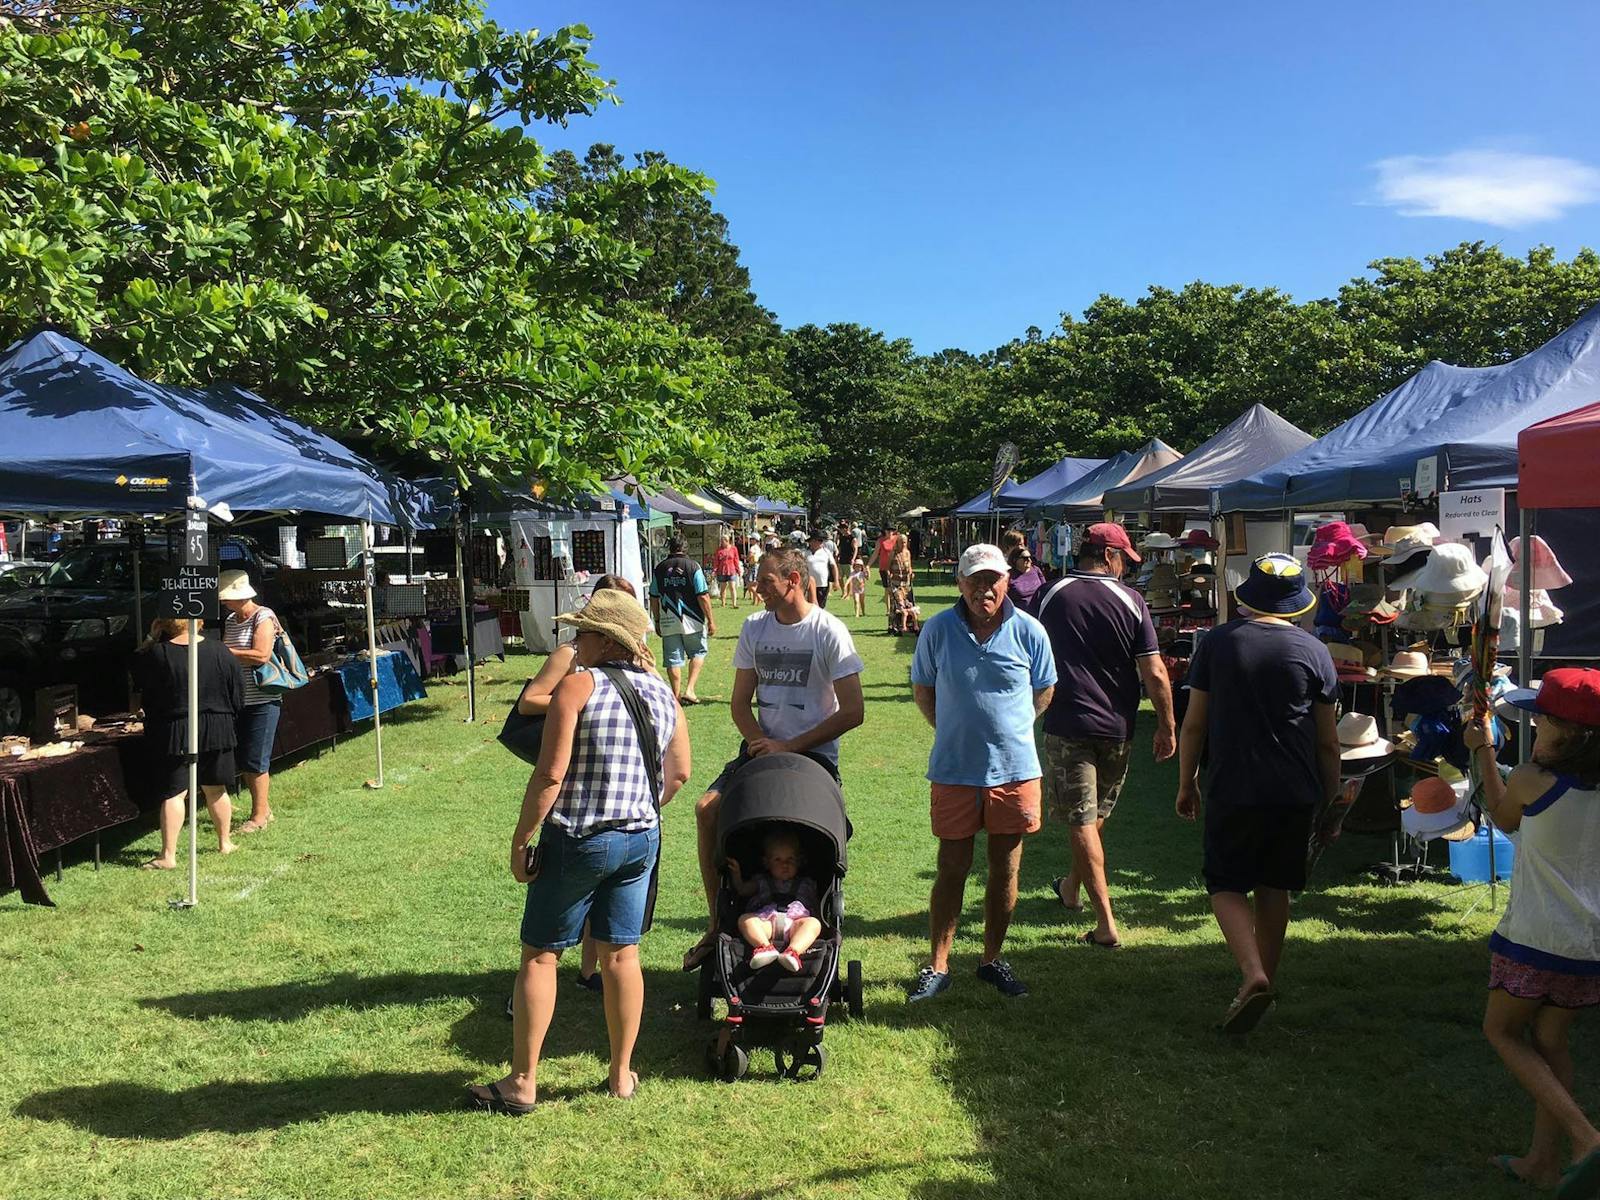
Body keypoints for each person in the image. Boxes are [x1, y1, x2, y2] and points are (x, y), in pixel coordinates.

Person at [467, 591, 691, 1113]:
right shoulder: (663, 691)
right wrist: (638, 806)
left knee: (542, 955)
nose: (574, 641)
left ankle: (523, 1082)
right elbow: (679, 772)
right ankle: (620, 1073)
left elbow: (550, 774)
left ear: (603, 639)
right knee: (622, 956)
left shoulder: (577, 687)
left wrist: (522, 838)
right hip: (641, 838)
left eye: (581, 632)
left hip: (578, 838)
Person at [1175, 553, 1339, 1034]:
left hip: (1234, 784)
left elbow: (1195, 725)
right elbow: (1327, 741)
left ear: (1249, 593)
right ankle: (1266, 978)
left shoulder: (1218, 643)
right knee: (1275, 886)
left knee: (1225, 883)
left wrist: (1187, 782)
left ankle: (1253, 973)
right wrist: (1330, 801)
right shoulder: (1315, 652)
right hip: (1294, 789)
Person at [681, 546, 864, 971]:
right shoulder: (754, 627)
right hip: (762, 749)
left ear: (793, 581)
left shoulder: (827, 630)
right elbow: (740, 704)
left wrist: (790, 745)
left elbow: (853, 711)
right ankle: (716, 925)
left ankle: (812, 919)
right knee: (707, 809)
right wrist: (761, 740)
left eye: (765, 580)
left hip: (813, 758)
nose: (755, 587)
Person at [1467, 670, 1600, 1191]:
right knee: (1550, 1041)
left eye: (1541, 718)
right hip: (1589, 942)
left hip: (1537, 934)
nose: (1534, 725)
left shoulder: (1531, 779)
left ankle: (1585, 1136)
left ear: (1567, 731)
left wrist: (1481, 751)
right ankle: (1541, 1163)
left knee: (1500, 1030)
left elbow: (1503, 817)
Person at [908, 544, 1057, 1002]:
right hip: (954, 770)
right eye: (973, 579)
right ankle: (938, 965)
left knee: (1005, 870)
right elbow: (923, 689)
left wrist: (1012, 731)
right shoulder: (937, 630)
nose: (983, 588)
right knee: (951, 868)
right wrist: (953, 729)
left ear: (1008, 580)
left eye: (991, 578)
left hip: (1014, 772)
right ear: (959, 583)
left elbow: (1045, 688)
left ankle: (992, 959)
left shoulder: (1030, 630)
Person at [1035, 523, 1176, 949]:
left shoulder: (1050, 595)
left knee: (1085, 820)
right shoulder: (1131, 601)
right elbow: (1154, 671)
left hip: (1067, 723)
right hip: (1118, 726)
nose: (1126, 570)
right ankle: (1096, 912)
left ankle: (1096, 915)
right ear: (1111, 557)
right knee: (1090, 818)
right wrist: (1167, 726)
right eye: (1125, 561)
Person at [512, 574, 640, 994]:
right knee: (567, 939)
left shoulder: (635, 675)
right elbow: (529, 701)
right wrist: (577, 699)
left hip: (596, 807)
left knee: (581, 930)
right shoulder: (570, 658)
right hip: (601, 802)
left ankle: (587, 973)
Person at [133, 617, 244, 868]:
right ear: (200, 622)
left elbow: (139, 678)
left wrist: (150, 638)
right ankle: (224, 842)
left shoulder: (159, 653)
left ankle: (168, 855)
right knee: (216, 789)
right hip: (217, 724)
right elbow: (237, 689)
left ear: (164, 626)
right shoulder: (220, 650)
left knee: (174, 793)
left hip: (177, 728)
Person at [219, 569, 283, 834]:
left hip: (263, 699)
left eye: (225, 598)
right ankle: (263, 809)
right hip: (238, 699)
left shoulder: (263, 616)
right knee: (246, 757)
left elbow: (261, 655)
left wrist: (223, 653)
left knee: (256, 759)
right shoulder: (232, 621)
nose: (222, 603)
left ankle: (259, 817)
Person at [728, 829, 822, 972]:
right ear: (767, 863)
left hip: (795, 924)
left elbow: (815, 905)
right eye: (778, 860)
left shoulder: (807, 884)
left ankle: (793, 952)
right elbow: (742, 890)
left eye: (790, 859)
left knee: (814, 923)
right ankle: (764, 947)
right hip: (767, 923)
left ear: (799, 861)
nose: (784, 865)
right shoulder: (761, 881)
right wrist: (736, 875)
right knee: (745, 920)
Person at [649, 535, 716, 706]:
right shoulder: (694, 566)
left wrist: (657, 620)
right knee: (698, 652)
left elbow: (654, 596)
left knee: (673, 659)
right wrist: (711, 620)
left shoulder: (659, 568)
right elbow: (703, 595)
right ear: (686, 548)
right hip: (692, 619)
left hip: (668, 619)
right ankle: (690, 690)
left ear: (669, 548)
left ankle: (676, 696)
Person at [1006, 545, 1047, 615]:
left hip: (1038, 613)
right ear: (1015, 560)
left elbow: (1045, 589)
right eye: (1025, 558)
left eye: (1030, 557)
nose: (1029, 560)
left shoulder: (1036, 570)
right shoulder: (1008, 576)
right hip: (1018, 615)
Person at [805, 529, 839, 610]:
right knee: (809, 605)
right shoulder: (805, 553)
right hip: (808, 584)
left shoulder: (826, 552)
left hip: (822, 584)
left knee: (821, 606)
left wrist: (836, 581)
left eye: (821, 540)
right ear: (811, 541)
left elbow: (834, 566)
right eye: (819, 540)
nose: (821, 542)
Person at [712, 533, 741, 609]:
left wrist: (738, 569)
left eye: (723, 541)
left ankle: (734, 604)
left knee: (732, 587)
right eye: (721, 541)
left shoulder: (734, 549)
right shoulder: (719, 550)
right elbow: (716, 561)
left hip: (731, 570)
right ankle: (723, 603)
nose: (721, 542)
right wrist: (714, 570)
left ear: (727, 541)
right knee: (723, 588)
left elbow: (736, 560)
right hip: (722, 571)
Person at [876, 526, 899, 596]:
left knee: (897, 589)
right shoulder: (880, 540)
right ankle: (888, 607)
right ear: (885, 530)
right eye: (888, 529)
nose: (890, 531)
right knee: (887, 589)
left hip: (895, 567)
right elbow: (875, 553)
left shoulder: (897, 539)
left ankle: (896, 606)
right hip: (884, 567)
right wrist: (868, 565)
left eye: (891, 530)